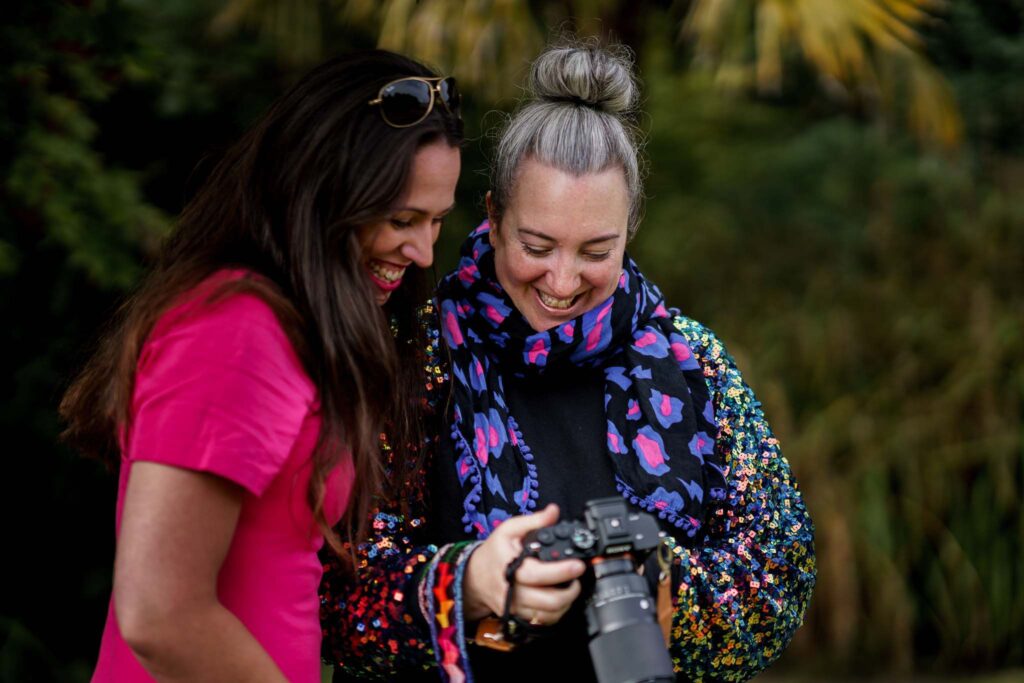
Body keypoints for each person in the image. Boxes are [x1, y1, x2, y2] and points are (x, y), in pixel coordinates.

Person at [320, 39, 815, 683]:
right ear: (494, 217)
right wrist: (467, 584)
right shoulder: (407, 360)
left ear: (631, 226)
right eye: (537, 244)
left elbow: (783, 574)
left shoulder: (695, 363)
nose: (562, 280)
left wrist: (656, 585)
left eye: (595, 251)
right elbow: (331, 593)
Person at [60, 49, 462, 683]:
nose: (421, 250)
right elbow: (160, 614)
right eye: (402, 219)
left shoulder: (293, 333)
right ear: (327, 195)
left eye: (437, 221)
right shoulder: (235, 330)